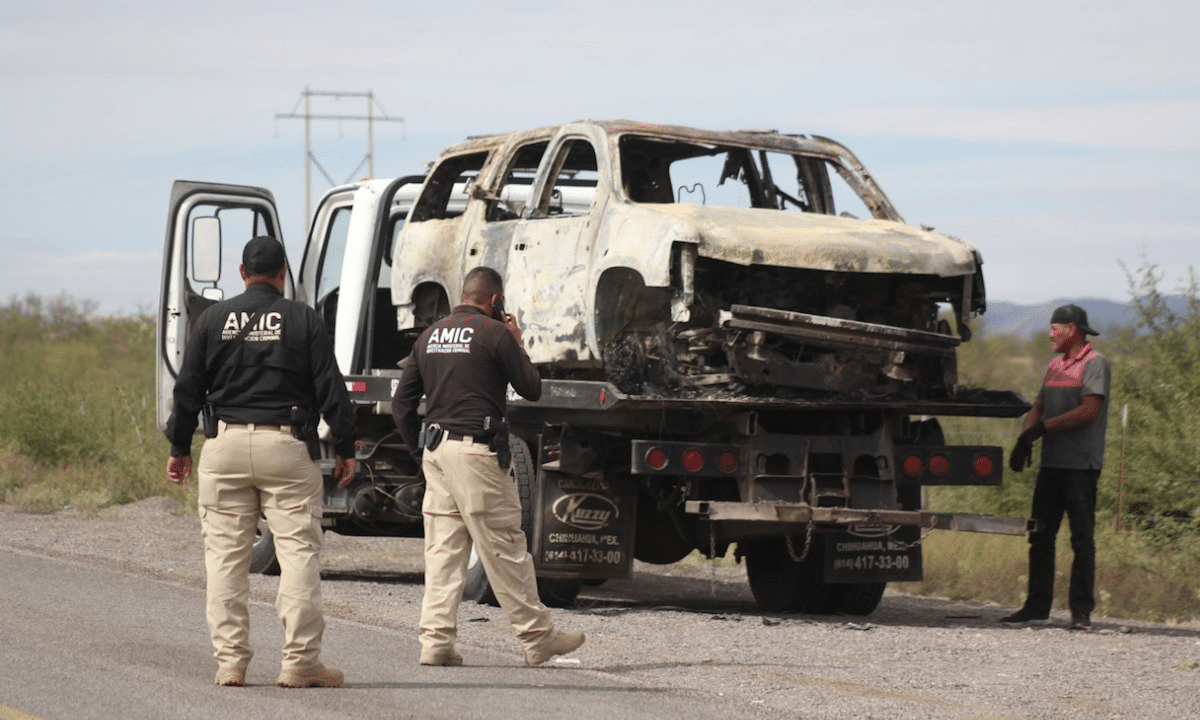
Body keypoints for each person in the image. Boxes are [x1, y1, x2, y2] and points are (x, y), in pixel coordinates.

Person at [165, 236, 358, 687]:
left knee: (225, 562)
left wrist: (179, 448)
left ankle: (231, 662)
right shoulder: (303, 319)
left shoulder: (211, 319)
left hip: (224, 445)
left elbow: (188, 389)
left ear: (241, 272)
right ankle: (300, 663)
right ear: (282, 274)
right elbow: (331, 388)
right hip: (286, 447)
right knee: (298, 558)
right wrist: (346, 446)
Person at [392, 266, 585, 667]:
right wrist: (517, 341)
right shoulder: (496, 334)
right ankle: (538, 639)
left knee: (444, 550)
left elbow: (401, 405)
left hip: (437, 452)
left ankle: (436, 641)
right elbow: (531, 388)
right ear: (495, 301)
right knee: (506, 547)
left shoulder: (428, 337)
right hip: (476, 453)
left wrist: (420, 453)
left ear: (463, 296)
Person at [1002, 304, 1111, 630]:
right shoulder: (1054, 365)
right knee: (1040, 536)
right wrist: (1025, 438)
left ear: (1072, 329)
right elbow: (1039, 407)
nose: (1050, 334)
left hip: (1080, 466)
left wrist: (1044, 430)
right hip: (1051, 464)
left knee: (1081, 540)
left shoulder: (1095, 364)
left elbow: (1088, 411)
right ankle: (1036, 607)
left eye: (1055, 328)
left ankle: (1081, 612)